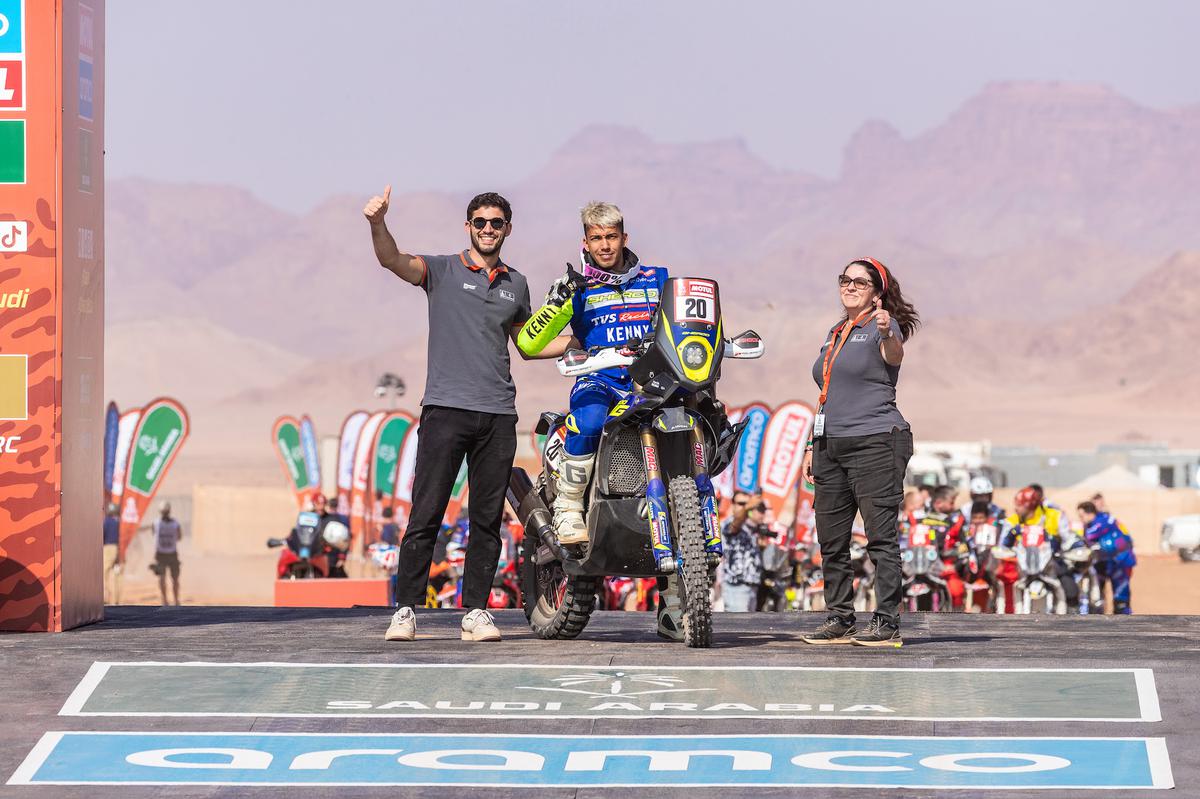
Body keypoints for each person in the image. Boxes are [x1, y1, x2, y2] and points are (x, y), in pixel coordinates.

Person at [366, 187, 540, 643]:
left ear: (507, 228)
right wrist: (377, 223)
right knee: (427, 513)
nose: (487, 229)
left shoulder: (516, 284)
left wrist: (583, 340)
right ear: (468, 226)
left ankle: (477, 612)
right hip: (445, 410)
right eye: (479, 222)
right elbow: (393, 260)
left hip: (499, 415)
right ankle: (405, 610)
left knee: (486, 520)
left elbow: (527, 343)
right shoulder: (442, 270)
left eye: (495, 223)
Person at [515, 201, 685, 640]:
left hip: (651, 387)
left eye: (612, 237)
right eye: (597, 238)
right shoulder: (576, 287)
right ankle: (570, 508)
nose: (605, 245)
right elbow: (531, 345)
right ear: (585, 242)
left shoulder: (658, 278)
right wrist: (557, 301)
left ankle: (674, 606)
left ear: (624, 238)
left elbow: (683, 325)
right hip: (599, 382)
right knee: (587, 420)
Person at [800, 257, 919, 647]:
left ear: (877, 293)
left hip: (876, 441)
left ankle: (886, 623)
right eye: (845, 280)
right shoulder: (837, 332)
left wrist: (887, 333)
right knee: (831, 539)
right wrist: (810, 445)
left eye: (860, 282)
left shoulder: (882, 326)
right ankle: (840, 618)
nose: (850, 286)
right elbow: (826, 394)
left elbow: (895, 354)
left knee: (880, 539)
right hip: (829, 444)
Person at [1078, 501, 1136, 614]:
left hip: (1120, 562)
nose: (1081, 519)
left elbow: (1091, 535)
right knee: (1096, 595)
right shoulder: (1089, 524)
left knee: (1121, 598)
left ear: (1090, 513)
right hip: (1102, 562)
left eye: (1081, 516)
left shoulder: (1103, 520)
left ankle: (1124, 621)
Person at [720, 492, 766, 612]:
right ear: (733, 505)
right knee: (738, 628)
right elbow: (735, 525)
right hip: (736, 587)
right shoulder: (728, 523)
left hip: (752, 586)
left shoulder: (750, 527)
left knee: (749, 628)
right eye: (741, 504)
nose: (747, 506)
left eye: (748, 504)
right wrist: (747, 508)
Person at [151, 501, 182, 606]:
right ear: (169, 511)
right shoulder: (175, 523)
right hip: (172, 553)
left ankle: (165, 600)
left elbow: (153, 535)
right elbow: (179, 537)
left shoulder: (156, 523)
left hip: (161, 555)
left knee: (162, 578)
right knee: (175, 579)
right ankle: (176, 600)